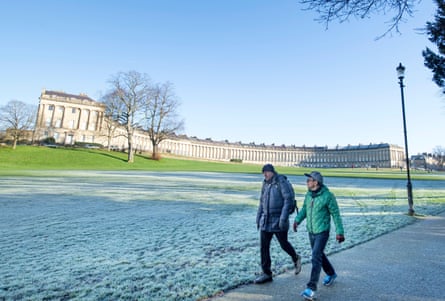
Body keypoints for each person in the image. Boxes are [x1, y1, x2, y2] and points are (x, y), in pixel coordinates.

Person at [293, 171, 345, 300]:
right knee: (319, 255)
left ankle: (311, 288)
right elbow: (305, 209)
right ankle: (331, 273)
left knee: (315, 257)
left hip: (322, 231)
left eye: (309, 180)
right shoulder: (309, 195)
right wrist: (297, 220)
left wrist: (340, 232)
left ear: (316, 182)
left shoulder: (328, 196)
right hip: (311, 231)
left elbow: (336, 215)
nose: (307, 182)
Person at [254, 163, 302, 284]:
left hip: (278, 219)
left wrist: (283, 218)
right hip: (266, 220)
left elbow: (288, 200)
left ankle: (296, 257)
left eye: (267, 172)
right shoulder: (265, 183)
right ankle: (266, 273)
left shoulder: (281, 181)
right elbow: (261, 201)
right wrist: (258, 217)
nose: (265, 174)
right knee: (263, 247)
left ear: (272, 172)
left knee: (284, 244)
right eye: (263, 172)